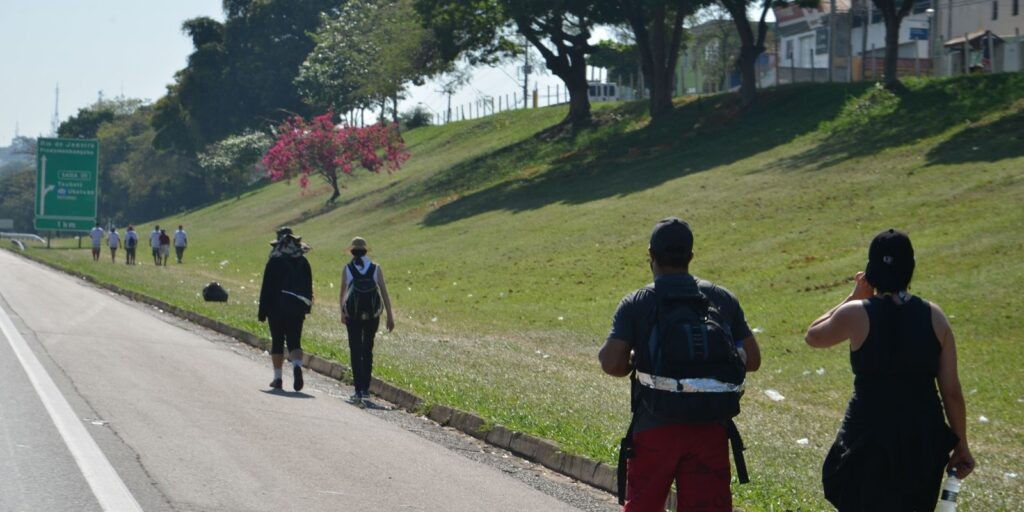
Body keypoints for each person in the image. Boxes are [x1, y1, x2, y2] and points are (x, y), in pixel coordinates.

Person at [805, 229, 975, 511]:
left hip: (869, 434)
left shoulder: (856, 312)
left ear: (871, 270)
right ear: (910, 269)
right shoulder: (935, 316)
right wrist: (962, 445)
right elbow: (952, 391)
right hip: (922, 437)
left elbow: (813, 336)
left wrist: (854, 296)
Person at [599, 218, 761, 512]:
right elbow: (753, 360)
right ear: (691, 255)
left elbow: (610, 362)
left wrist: (633, 360)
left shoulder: (638, 302)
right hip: (711, 427)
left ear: (651, 255)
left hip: (654, 425)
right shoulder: (721, 298)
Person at [339, 237, 394, 406]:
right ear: (366, 251)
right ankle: (365, 388)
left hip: (353, 315)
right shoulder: (375, 268)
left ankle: (357, 390)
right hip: (372, 315)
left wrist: (342, 312)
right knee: (368, 349)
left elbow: (342, 293)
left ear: (352, 252)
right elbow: (384, 292)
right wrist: (390, 316)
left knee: (355, 350)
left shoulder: (348, 268)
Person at [258, 230, 313, 391]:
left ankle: (278, 378)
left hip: (276, 308)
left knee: (277, 341)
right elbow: (308, 287)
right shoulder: (303, 262)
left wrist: (262, 311)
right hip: (297, 308)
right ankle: (296, 366)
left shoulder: (274, 261)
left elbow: (266, 288)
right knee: (295, 341)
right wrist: (306, 307)